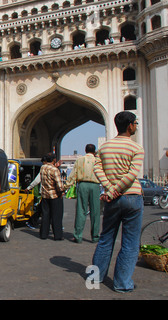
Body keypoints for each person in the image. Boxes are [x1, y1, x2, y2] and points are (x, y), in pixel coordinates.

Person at [92, 111, 144, 293]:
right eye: (135, 123)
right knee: (130, 243)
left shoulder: (105, 147)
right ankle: (122, 284)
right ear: (130, 125)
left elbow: (97, 168)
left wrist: (108, 188)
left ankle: (95, 277)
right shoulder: (136, 148)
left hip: (112, 200)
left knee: (106, 238)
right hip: (131, 198)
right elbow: (131, 175)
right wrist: (114, 190)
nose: (136, 126)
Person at [65, 144, 101, 243]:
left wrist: (66, 186)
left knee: (81, 210)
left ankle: (78, 236)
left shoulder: (80, 160)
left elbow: (73, 174)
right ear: (94, 151)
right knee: (95, 212)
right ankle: (95, 236)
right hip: (95, 185)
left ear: (85, 150)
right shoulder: (98, 160)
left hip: (83, 185)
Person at [39, 153, 65, 240]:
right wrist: (62, 192)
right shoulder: (55, 170)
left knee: (45, 215)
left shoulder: (42, 168)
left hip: (45, 195)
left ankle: (43, 234)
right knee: (56, 216)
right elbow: (59, 184)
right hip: (54, 195)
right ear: (54, 160)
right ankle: (57, 235)